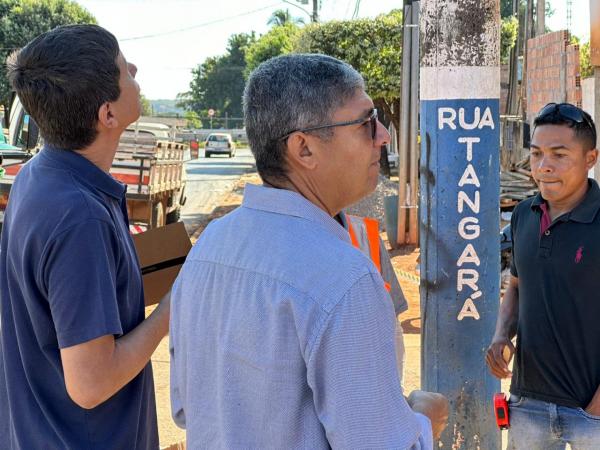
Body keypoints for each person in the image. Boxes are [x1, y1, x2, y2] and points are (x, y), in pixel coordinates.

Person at [170, 53, 448, 448]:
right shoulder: (344, 278)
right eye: (366, 123)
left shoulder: (210, 247)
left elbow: (185, 408)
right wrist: (424, 420)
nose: (384, 135)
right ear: (303, 149)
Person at [0, 25, 169, 449]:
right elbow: (91, 384)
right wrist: (170, 312)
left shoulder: (40, 175)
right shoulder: (79, 217)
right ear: (107, 114)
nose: (132, 68)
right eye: (122, 69)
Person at [486, 102, 600, 449]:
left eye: (559, 154)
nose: (543, 166)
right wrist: (501, 335)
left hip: (591, 414)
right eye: (536, 154)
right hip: (527, 406)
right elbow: (518, 286)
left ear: (590, 158)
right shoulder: (524, 214)